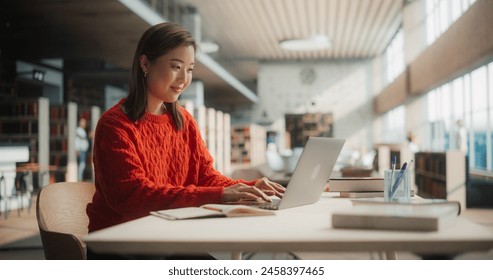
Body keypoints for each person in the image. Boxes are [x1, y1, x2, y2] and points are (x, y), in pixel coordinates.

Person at [86, 22, 285, 257]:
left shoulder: (184, 121)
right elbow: (134, 196)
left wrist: (249, 188)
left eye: (189, 69)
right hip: (123, 245)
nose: (183, 78)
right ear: (145, 63)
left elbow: (205, 176)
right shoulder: (115, 124)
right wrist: (221, 195)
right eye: (175, 66)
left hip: (169, 236)